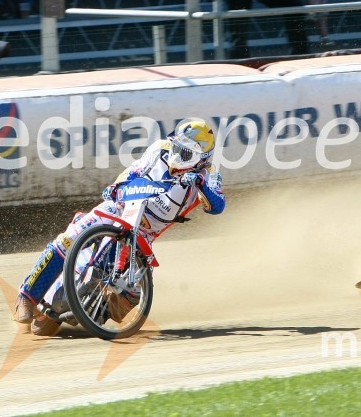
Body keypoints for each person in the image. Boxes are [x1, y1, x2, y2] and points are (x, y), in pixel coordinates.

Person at [14, 118, 226, 333]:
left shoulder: (209, 175)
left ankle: (94, 311)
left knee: (128, 295)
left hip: (144, 232)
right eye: (177, 147)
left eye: (186, 153)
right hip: (118, 207)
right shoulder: (160, 148)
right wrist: (115, 186)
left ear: (201, 157)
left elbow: (217, 206)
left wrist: (200, 183)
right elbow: (134, 170)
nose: (177, 155)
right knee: (69, 239)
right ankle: (27, 296)